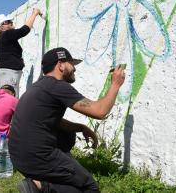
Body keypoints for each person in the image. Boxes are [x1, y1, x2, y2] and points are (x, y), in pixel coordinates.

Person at [8, 47, 126, 193]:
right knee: (90, 187)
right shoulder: (58, 86)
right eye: (72, 64)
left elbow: (49, 120)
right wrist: (115, 84)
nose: (74, 69)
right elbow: (100, 111)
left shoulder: (38, 86)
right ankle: (39, 186)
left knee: (67, 135)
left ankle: (45, 181)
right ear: (61, 65)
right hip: (36, 157)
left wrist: (81, 127)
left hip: (18, 157)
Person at [0, 8, 42, 97]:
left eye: (9, 20)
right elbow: (24, 30)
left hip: (7, 74)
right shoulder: (7, 34)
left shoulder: (3, 37)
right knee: (10, 101)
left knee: (8, 100)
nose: (11, 22)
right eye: (7, 22)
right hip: (9, 75)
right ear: (1, 27)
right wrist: (35, 13)